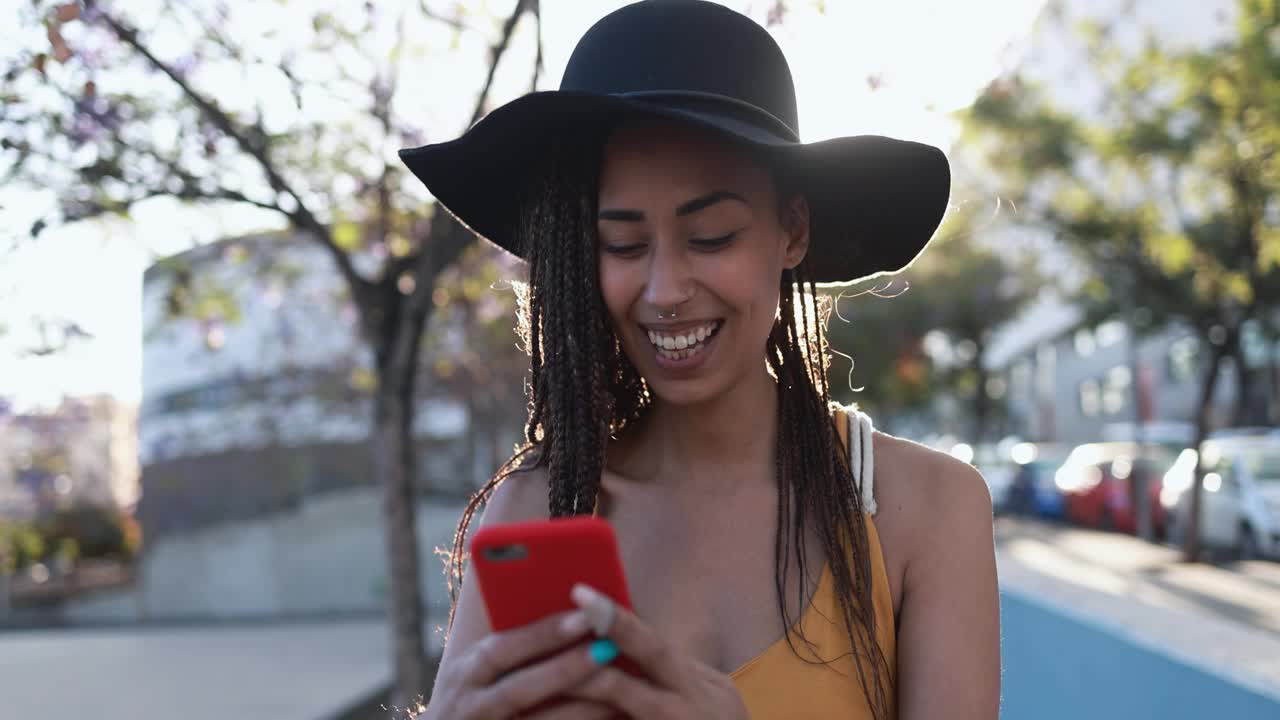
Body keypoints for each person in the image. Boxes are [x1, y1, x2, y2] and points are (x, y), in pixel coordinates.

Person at [399, 1, 1000, 718]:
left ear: (793, 230)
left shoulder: (922, 511)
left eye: (711, 235)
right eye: (622, 245)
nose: (665, 291)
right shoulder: (536, 512)